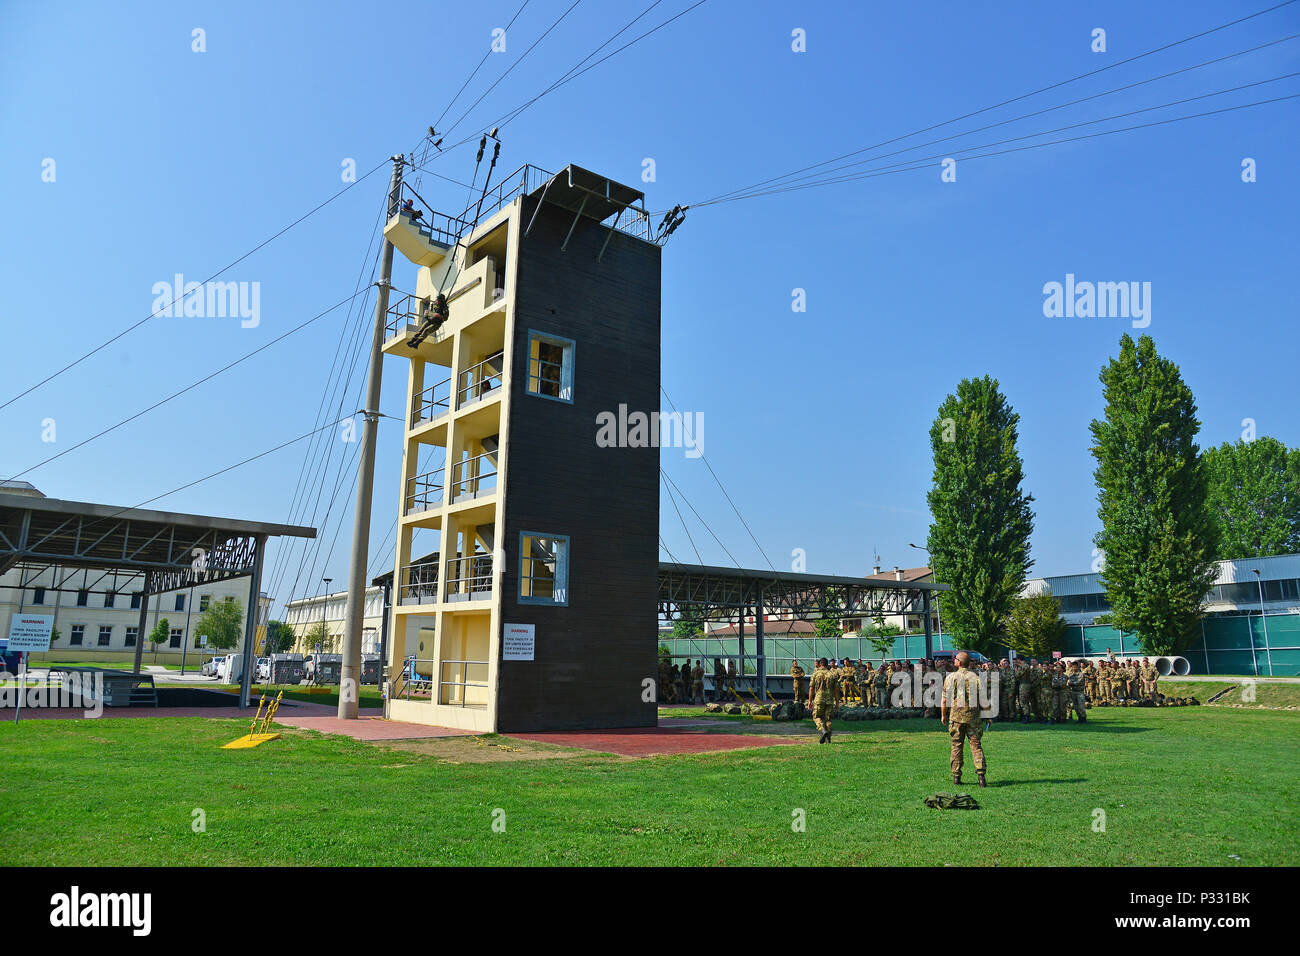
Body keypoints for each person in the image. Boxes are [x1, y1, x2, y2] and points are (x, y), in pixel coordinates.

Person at [941, 651, 987, 788]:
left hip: (956, 718)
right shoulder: (976, 677)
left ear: (959, 663)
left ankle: (956, 776)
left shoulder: (951, 678)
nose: (954, 661)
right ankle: (981, 776)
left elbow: (944, 700)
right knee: (976, 745)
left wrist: (943, 715)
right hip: (973, 717)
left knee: (956, 746)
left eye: (955, 659)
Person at [807, 657, 841, 744]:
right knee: (828, 719)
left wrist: (810, 701)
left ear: (820, 664)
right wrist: (837, 703)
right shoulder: (832, 674)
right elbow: (837, 690)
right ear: (827, 664)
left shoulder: (815, 674)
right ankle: (828, 739)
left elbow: (811, 688)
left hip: (819, 699)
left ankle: (822, 730)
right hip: (830, 700)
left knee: (816, 717)